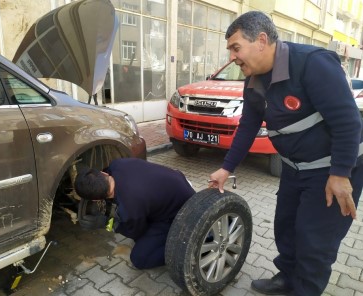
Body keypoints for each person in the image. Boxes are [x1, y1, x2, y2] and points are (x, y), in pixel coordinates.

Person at [208, 11, 363, 296]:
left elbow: (348, 121)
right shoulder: (254, 80)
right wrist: (227, 168)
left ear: (262, 41)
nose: (232, 56)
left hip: (331, 168)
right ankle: (288, 278)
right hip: (294, 168)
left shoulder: (312, 64)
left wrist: (341, 174)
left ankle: (304, 289)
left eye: (236, 47)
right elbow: (248, 125)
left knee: (314, 241)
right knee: (286, 228)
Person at [74, 158, 195, 269]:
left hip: (183, 214)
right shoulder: (117, 164)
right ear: (104, 174)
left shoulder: (130, 207)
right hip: (180, 187)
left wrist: (107, 223)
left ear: (95, 200)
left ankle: (189, 250)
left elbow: (137, 232)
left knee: (139, 258)